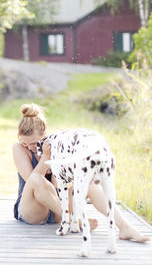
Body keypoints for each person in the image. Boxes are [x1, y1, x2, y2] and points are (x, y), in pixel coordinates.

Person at [12, 103, 150, 243]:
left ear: (45, 133)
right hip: (33, 210)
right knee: (36, 178)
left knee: (90, 184)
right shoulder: (18, 149)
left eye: (34, 144)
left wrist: (56, 158)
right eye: (25, 143)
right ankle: (74, 221)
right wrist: (45, 158)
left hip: (56, 209)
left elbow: (58, 186)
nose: (30, 147)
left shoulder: (56, 144)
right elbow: (31, 181)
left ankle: (125, 227)